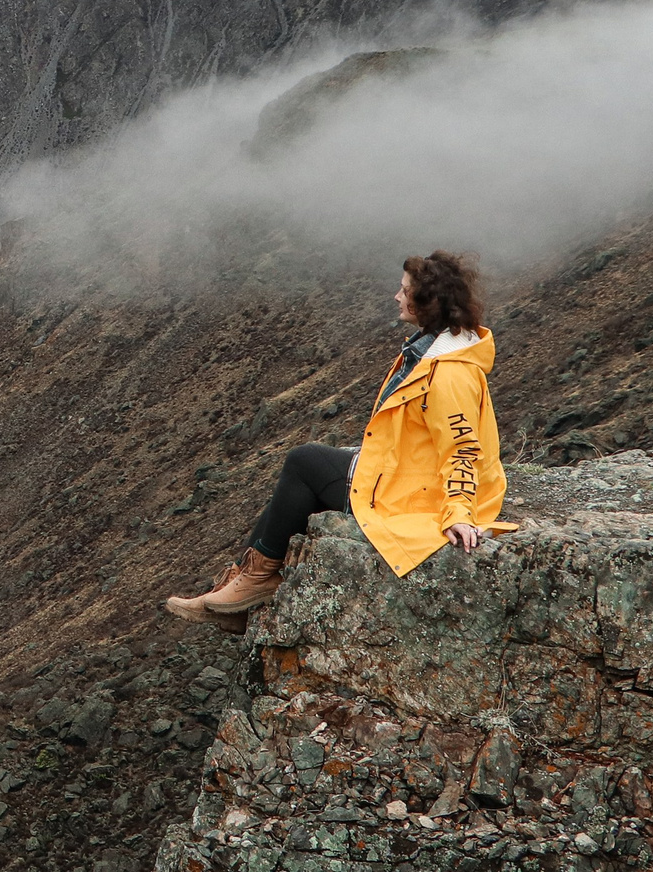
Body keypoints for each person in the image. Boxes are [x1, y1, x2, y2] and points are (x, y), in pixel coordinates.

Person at [164, 250, 514, 628]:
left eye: (404, 291)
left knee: (304, 463)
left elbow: (462, 447)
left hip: (415, 494)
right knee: (304, 475)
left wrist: (459, 513)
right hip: (407, 474)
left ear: (427, 303)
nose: (397, 297)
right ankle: (241, 585)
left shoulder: (448, 374)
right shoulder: (428, 351)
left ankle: (253, 580)